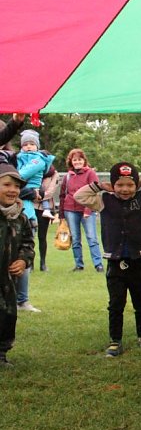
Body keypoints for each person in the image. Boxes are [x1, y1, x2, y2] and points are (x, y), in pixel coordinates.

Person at [74, 162, 141, 357]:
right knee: (116, 302)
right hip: (115, 260)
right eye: (119, 185)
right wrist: (99, 186)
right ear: (112, 185)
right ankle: (115, 340)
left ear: (136, 185)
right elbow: (79, 196)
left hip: (139, 259)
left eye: (129, 185)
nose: (125, 189)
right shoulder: (104, 200)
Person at [14, 130, 54, 313]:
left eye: (31, 143)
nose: (28, 146)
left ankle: (22, 300)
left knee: (24, 257)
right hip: (15, 208)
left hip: (26, 213)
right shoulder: (17, 157)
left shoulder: (37, 160)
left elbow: (19, 176)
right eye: (25, 144)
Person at [0, 164, 35, 367]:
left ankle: (2, 354)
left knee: (7, 315)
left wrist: (23, 260)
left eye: (16, 186)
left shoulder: (21, 217)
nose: (12, 190)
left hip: (8, 280)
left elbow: (28, 243)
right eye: (6, 185)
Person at [60, 148, 104, 273]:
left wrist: (87, 210)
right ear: (71, 162)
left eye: (80, 159)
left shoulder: (90, 173)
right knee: (75, 238)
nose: (77, 162)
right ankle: (79, 264)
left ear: (84, 161)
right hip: (70, 210)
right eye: (75, 160)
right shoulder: (68, 176)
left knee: (92, 238)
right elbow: (63, 194)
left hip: (87, 210)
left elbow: (94, 192)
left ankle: (98, 264)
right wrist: (62, 214)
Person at [34, 164, 59, 271]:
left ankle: (43, 263)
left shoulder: (54, 173)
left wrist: (37, 196)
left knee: (42, 236)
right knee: (29, 236)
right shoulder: (33, 170)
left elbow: (51, 191)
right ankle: (29, 263)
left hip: (45, 209)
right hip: (31, 206)